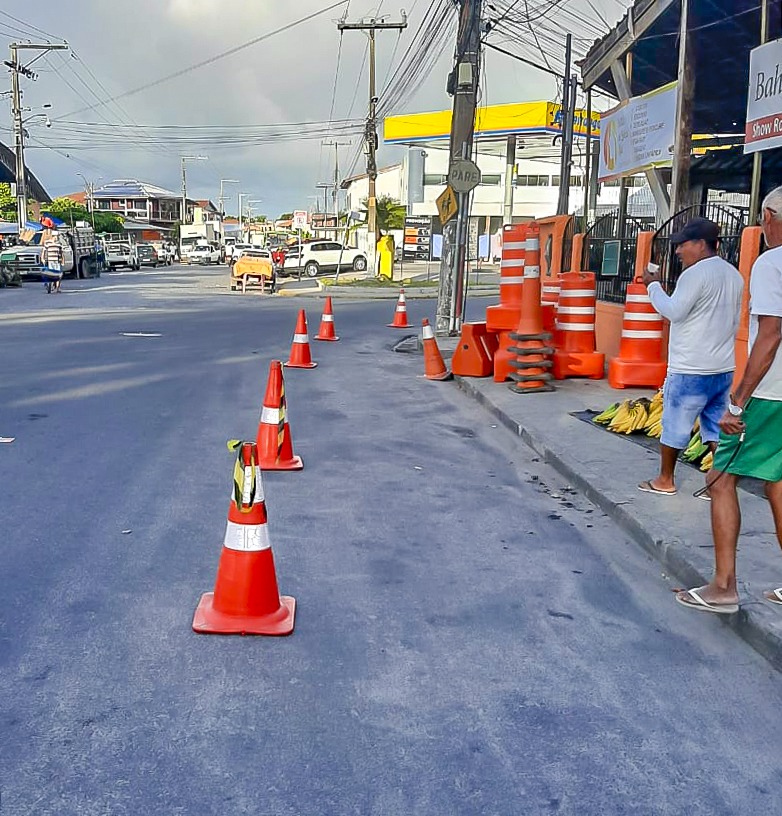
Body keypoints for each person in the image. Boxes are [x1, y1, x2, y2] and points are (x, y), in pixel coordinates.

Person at [675, 190, 782, 614]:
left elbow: (771, 334)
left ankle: (723, 586)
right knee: (776, 481)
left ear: (770, 217)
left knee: (721, 478)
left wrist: (737, 402)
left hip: (770, 393)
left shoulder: (771, 263)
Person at [638, 217, 744, 496]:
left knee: (675, 424)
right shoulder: (733, 274)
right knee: (714, 427)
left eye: (682, 245)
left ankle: (665, 480)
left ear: (700, 244)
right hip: (722, 368)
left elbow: (674, 311)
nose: (677, 251)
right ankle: (717, 483)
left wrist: (653, 286)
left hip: (690, 368)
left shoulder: (694, 274)